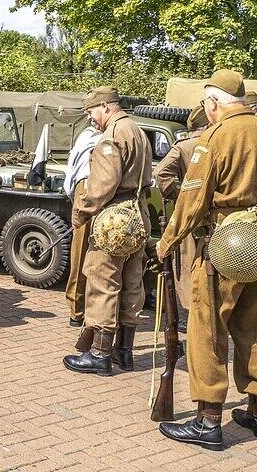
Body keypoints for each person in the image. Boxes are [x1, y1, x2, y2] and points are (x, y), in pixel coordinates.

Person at [155, 69, 257, 450]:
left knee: (208, 329)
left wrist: (168, 242)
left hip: (225, 240)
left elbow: (192, 200)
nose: (207, 111)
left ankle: (207, 422)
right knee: (254, 329)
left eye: (208, 105)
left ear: (214, 103)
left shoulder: (215, 135)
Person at [63, 86, 151, 375]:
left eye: (91, 112)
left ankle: (100, 353)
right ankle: (123, 351)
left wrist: (80, 212)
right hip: (138, 215)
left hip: (114, 219)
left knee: (102, 281)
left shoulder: (111, 137)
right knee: (131, 282)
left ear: (105, 106)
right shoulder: (136, 130)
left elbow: (101, 186)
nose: (91, 119)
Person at [152, 106, 209, 313]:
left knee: (187, 266)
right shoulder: (216, 143)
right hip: (217, 215)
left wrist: (181, 195)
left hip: (188, 215)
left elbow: (161, 174)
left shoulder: (184, 146)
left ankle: (190, 312)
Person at [64, 124, 102, 327]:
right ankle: (76, 309)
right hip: (87, 187)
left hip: (107, 190)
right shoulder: (88, 136)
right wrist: (76, 197)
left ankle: (96, 308)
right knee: (80, 253)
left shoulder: (119, 131)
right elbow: (75, 167)